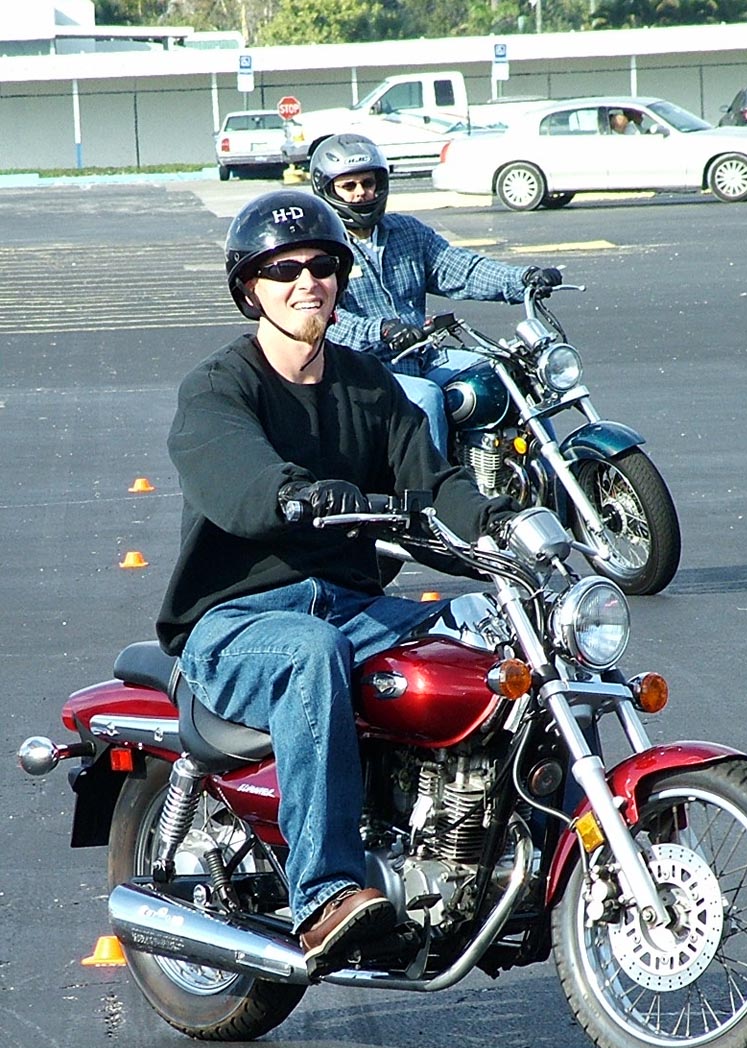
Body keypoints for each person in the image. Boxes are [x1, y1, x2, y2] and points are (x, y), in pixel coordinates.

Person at [156, 190, 517, 974]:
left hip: (353, 606)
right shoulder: (219, 388)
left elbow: (434, 482)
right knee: (310, 651)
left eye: (322, 265)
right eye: (282, 270)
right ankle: (324, 895)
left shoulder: (368, 384)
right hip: (238, 620)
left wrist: (502, 528)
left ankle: (484, 856)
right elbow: (235, 476)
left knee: (492, 632)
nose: (306, 282)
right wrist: (295, 495)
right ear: (249, 288)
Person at [308, 133, 563, 455]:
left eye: (368, 183)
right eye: (349, 186)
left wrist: (523, 279)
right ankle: (436, 485)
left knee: (506, 375)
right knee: (426, 397)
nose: (361, 193)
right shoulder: (324, 251)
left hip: (422, 355)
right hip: (362, 371)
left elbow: (462, 269)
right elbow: (326, 318)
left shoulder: (407, 232)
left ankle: (543, 470)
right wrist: (382, 330)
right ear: (327, 190)